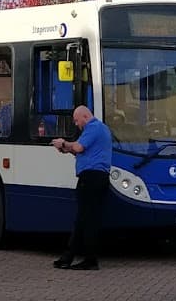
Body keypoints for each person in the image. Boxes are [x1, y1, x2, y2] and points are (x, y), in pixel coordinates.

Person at [51, 105, 113, 271]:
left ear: (85, 116)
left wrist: (63, 142)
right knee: (85, 218)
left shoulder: (93, 127)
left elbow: (78, 147)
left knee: (85, 219)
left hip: (91, 178)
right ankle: (69, 257)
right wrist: (65, 149)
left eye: (77, 121)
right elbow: (80, 152)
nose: (77, 124)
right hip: (97, 178)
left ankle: (89, 259)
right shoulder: (101, 129)